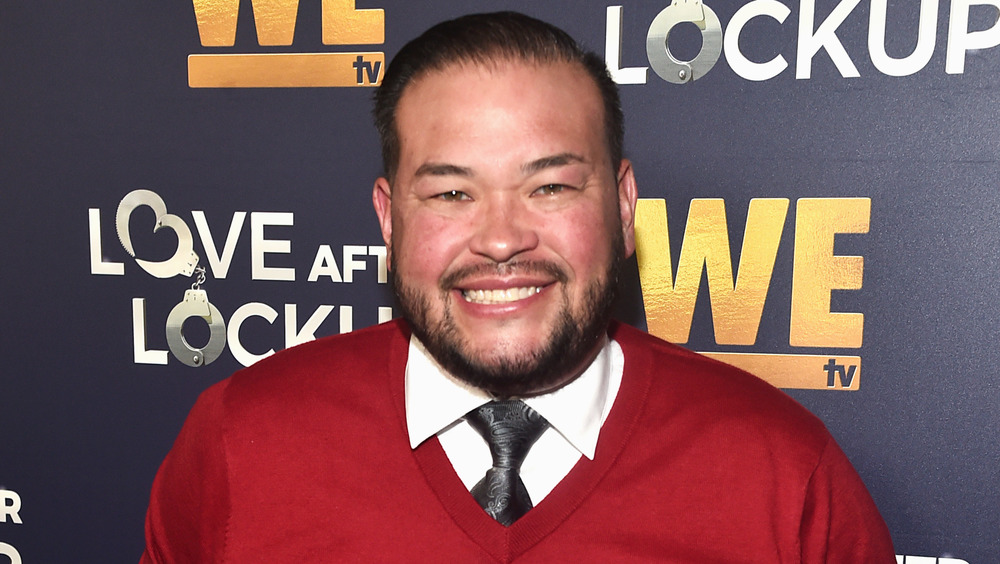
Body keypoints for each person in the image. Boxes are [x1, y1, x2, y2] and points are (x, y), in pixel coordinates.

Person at [141, 12, 895, 563]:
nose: (502, 240)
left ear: (624, 207)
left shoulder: (783, 475)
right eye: (450, 195)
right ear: (387, 217)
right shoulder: (243, 440)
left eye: (550, 188)